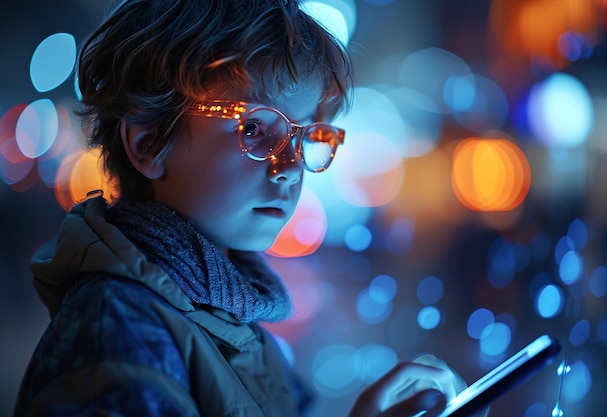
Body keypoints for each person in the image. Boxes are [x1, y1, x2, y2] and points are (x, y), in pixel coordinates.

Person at [15, 0, 481, 416]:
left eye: (305, 137)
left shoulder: (226, 317)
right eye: (256, 129)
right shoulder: (116, 336)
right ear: (149, 143)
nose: (290, 168)